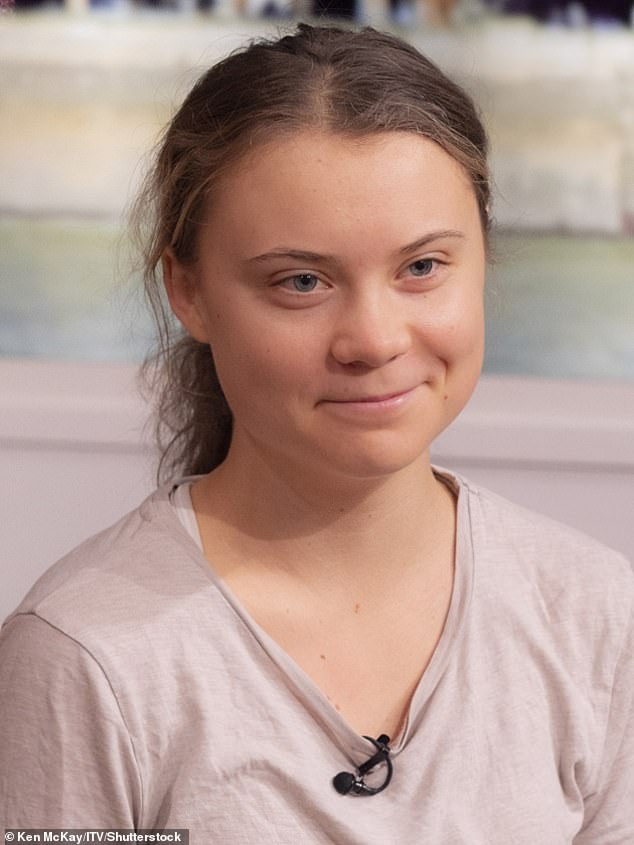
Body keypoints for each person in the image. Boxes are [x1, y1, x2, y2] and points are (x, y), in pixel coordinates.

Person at [1, 23, 632, 842]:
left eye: (422, 267)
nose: (372, 339)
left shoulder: (595, 615)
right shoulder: (88, 659)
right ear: (187, 291)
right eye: (301, 281)